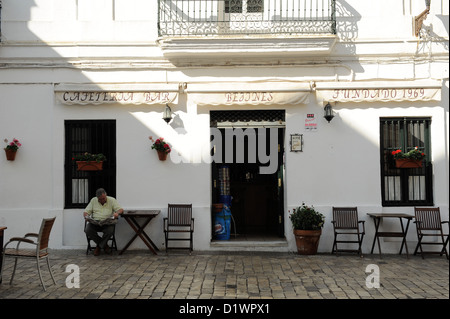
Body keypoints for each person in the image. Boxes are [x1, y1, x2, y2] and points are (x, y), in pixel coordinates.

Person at [83, 188, 123, 256]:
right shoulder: (93, 200)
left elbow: (120, 210)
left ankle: (98, 247)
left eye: (103, 198)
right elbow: (86, 212)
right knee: (87, 230)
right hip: (96, 222)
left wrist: (117, 213)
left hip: (107, 222)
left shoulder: (112, 200)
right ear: (97, 197)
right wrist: (86, 216)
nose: (102, 200)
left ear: (106, 195)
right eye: (100, 199)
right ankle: (104, 245)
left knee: (110, 231)